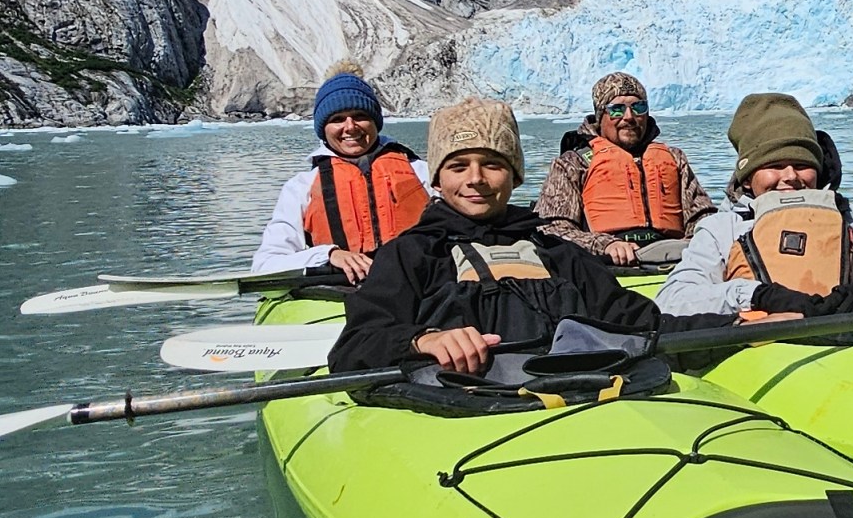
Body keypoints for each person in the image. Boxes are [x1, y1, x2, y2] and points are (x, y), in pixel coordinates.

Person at [332, 97, 721, 375]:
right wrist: (422, 340)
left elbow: (640, 322)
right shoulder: (410, 255)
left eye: (492, 164)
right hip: (468, 410)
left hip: (577, 400)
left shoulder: (558, 253)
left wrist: (734, 324)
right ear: (437, 179)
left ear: (515, 175)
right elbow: (354, 348)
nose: (475, 180)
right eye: (458, 166)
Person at [656, 92, 853, 320]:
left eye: (803, 165)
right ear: (748, 175)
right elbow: (673, 300)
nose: (790, 177)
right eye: (774, 166)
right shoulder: (722, 229)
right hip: (766, 348)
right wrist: (756, 296)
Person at [254, 69, 430, 280]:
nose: (350, 127)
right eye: (337, 119)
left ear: (375, 121)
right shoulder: (301, 187)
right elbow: (265, 264)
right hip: (340, 291)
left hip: (419, 285)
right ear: (323, 129)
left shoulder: (422, 172)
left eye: (360, 116)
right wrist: (328, 255)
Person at [535, 72, 717, 266]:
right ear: (600, 115)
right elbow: (550, 229)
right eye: (617, 109)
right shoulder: (572, 164)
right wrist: (605, 245)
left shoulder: (674, 158)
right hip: (606, 268)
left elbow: (704, 216)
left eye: (638, 107)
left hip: (675, 261)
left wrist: (695, 241)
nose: (629, 117)